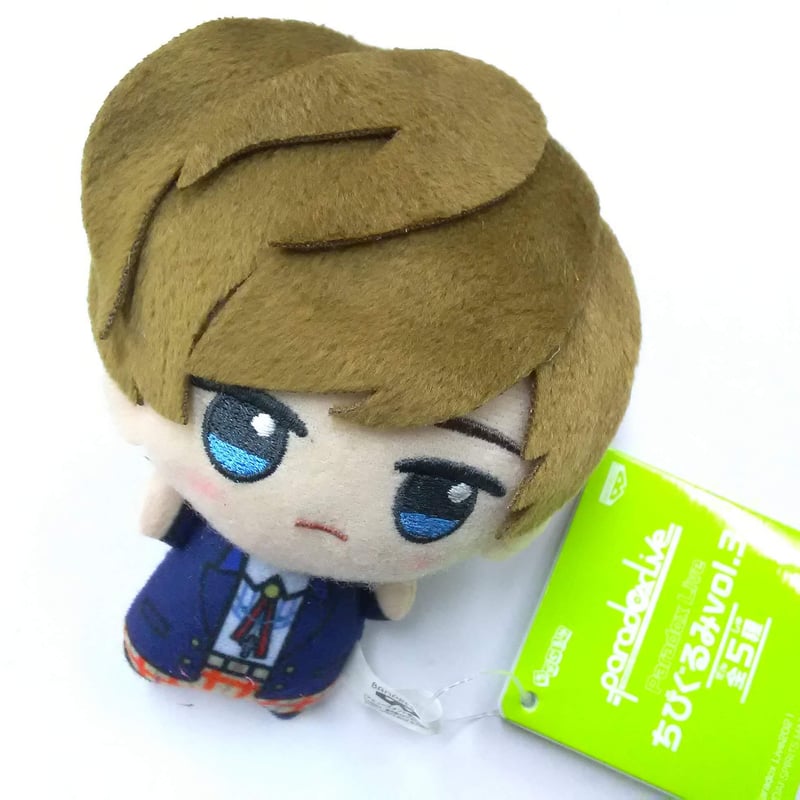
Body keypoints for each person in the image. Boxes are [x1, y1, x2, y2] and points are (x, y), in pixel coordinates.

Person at [82, 17, 640, 716]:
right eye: (247, 431)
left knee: (293, 675)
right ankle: (179, 664)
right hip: (181, 625)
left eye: (435, 499)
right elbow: (159, 520)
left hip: (306, 657)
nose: (319, 509)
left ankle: (285, 693)